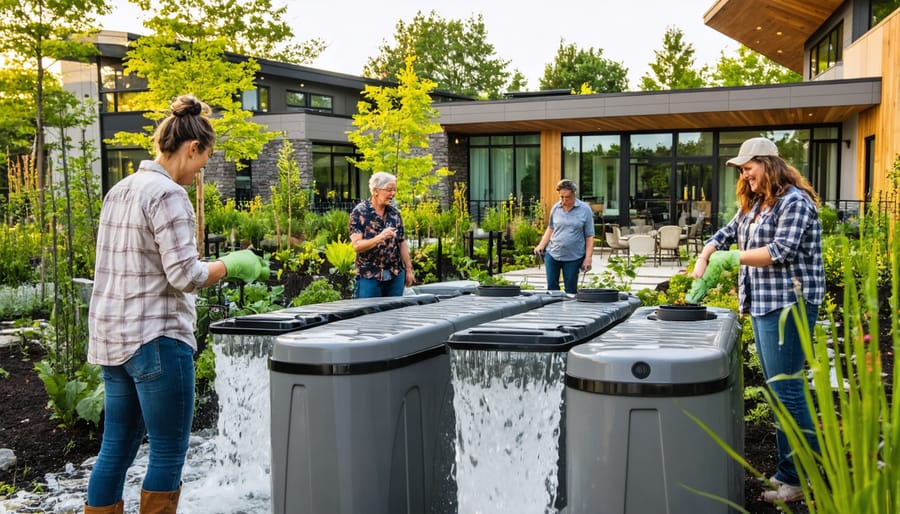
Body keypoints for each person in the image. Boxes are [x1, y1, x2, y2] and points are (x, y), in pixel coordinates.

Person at [85, 95, 268, 514]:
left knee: (115, 447)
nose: (201, 171)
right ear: (192, 148)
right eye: (204, 160)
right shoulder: (168, 195)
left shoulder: (120, 190)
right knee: (168, 451)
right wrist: (233, 264)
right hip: (158, 338)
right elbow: (185, 275)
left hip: (113, 339)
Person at [691, 137, 824, 504]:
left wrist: (730, 260)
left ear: (768, 164)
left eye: (748, 166)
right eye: (742, 169)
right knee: (779, 390)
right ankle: (790, 472)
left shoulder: (794, 202)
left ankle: (802, 478)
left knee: (787, 391)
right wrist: (707, 253)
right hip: (765, 304)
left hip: (789, 305)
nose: (744, 173)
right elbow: (727, 232)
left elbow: (781, 250)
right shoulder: (755, 203)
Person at [349, 172, 415, 297]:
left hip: (395, 276)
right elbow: (357, 245)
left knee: (394, 315)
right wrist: (380, 237)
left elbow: (401, 242)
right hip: (369, 277)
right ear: (375, 191)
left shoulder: (394, 214)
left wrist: (408, 270)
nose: (393, 194)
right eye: (389, 190)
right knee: (369, 315)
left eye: (394, 190)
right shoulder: (359, 212)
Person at [534, 179, 595, 293]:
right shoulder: (556, 208)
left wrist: (588, 258)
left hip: (574, 257)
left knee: (571, 291)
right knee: (552, 290)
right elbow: (551, 228)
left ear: (573, 194)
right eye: (561, 197)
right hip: (553, 253)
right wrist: (541, 245)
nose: (564, 200)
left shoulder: (585, 210)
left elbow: (589, 236)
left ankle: (570, 311)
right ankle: (553, 311)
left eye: (567, 197)